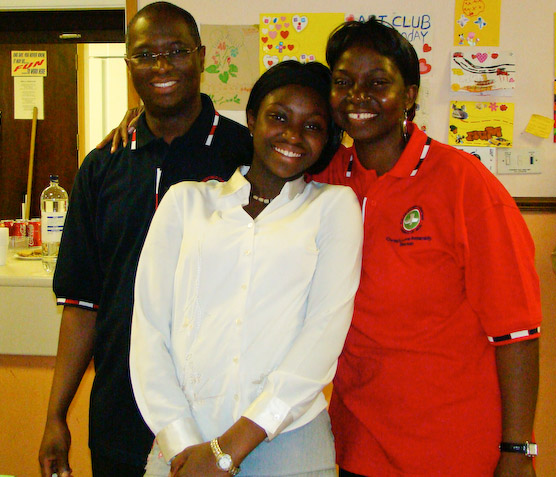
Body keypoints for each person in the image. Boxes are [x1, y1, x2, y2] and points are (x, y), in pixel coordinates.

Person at [311, 17, 542, 477]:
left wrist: (518, 451)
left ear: (409, 95)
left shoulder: (463, 184)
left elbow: (516, 332)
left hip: (453, 448)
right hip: (356, 444)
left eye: (378, 83)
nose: (358, 96)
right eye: (343, 82)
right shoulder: (325, 180)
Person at [38, 3, 252, 476]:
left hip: (219, 419)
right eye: (145, 55)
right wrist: (56, 415)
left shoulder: (246, 155)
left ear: (201, 56)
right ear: (128, 65)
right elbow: (82, 304)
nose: (161, 66)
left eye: (176, 51)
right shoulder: (103, 166)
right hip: (120, 416)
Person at [129, 60, 363, 476]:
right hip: (184, 444)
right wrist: (184, 445)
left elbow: (323, 335)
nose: (293, 135)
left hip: (289, 445)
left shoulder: (333, 207)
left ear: (326, 139)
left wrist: (227, 451)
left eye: (312, 126)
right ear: (252, 119)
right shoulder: (185, 203)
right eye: (279, 117)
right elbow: (149, 330)